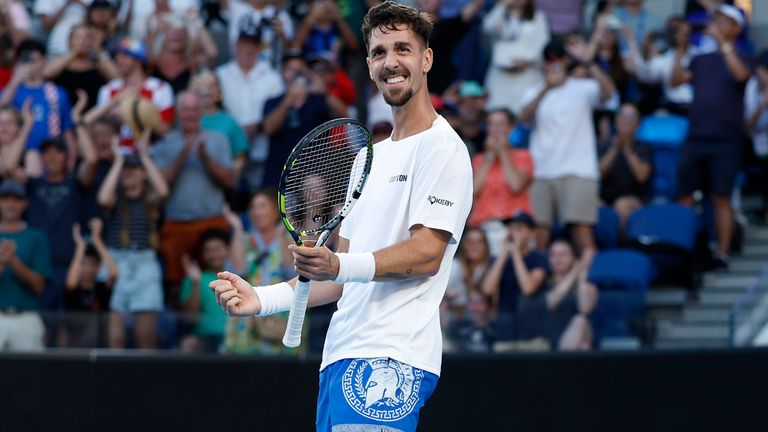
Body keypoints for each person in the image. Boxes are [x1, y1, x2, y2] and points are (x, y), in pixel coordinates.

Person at [210, 3, 473, 431]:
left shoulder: (443, 148)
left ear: (426, 59)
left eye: (403, 48)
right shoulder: (365, 160)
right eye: (379, 52)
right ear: (368, 65)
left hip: (390, 359)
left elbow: (427, 254)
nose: (391, 62)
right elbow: (338, 277)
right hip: (339, 358)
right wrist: (264, 299)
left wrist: (338, 263)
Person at [671, 4, 752, 269]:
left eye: (722, 21)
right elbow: (676, 81)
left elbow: (740, 75)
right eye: (714, 21)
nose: (715, 25)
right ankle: (682, 247)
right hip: (696, 135)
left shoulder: (742, 54)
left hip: (726, 139)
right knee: (684, 194)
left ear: (735, 28)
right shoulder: (700, 58)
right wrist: (681, 50)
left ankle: (722, 252)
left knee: (721, 197)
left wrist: (723, 43)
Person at [520, 40, 616, 259]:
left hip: (579, 171)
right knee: (540, 233)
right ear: (543, 63)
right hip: (542, 172)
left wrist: (588, 62)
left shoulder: (584, 88)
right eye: (549, 59)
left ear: (566, 61)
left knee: (581, 231)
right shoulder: (533, 90)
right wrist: (547, 87)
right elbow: (523, 117)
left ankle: (587, 285)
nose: (554, 63)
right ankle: (539, 285)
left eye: (558, 58)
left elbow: (609, 93)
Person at [152, 91, 234, 299]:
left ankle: (221, 324)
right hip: (177, 223)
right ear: (178, 112)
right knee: (176, 284)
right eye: (186, 109)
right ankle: (182, 328)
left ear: (201, 112)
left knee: (221, 281)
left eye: (194, 109)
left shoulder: (218, 139)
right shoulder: (166, 143)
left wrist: (206, 159)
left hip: (212, 223)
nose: (190, 114)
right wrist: (183, 155)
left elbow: (229, 180)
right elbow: (158, 186)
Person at [97, 131, 168, 349]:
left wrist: (145, 157)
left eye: (134, 169)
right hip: (116, 263)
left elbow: (163, 190)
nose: (129, 173)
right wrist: (118, 160)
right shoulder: (115, 201)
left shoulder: (150, 201)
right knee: (115, 334)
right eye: (126, 170)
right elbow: (102, 197)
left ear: (143, 173)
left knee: (145, 333)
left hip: (145, 262)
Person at [224, 188, 300, 355]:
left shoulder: (291, 239)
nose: (257, 212)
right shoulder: (244, 239)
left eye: (262, 206)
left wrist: (281, 235)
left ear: (275, 210)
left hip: (281, 314)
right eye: (253, 207)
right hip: (249, 318)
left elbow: (293, 273)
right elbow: (237, 272)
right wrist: (237, 229)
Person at [215, 19, 284, 191]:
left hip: (262, 151)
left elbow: (279, 112)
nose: (249, 48)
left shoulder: (272, 77)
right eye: (245, 42)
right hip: (228, 151)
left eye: (253, 44)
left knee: (259, 198)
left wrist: (257, 127)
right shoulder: (221, 74)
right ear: (236, 45)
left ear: (259, 47)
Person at [0, 39, 77, 171]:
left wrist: (72, 159)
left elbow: (67, 130)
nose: (31, 65)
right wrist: (16, 79)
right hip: (17, 158)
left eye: (35, 60)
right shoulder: (11, 91)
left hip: (52, 159)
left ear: (44, 61)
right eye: (26, 60)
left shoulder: (58, 92)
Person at [260, 53, 331, 188]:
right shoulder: (272, 102)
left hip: (311, 177)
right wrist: (289, 100)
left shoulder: (317, 101)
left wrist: (311, 78)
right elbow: (269, 128)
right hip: (278, 175)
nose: (295, 74)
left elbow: (343, 114)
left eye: (299, 70)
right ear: (283, 73)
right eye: (291, 70)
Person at [469, 108, 533, 256]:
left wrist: (503, 152)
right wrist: (490, 155)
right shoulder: (480, 159)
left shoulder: (523, 156)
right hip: (483, 228)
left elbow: (516, 185)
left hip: (513, 227)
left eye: (500, 124)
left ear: (510, 128)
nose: (495, 129)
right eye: (491, 124)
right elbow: (473, 191)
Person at [0, 179, 51, 352]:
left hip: (26, 316)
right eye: (6, 198)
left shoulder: (36, 237)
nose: (10, 204)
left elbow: (39, 286)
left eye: (16, 199)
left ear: (24, 203)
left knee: (32, 374)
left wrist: (13, 261)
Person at [481, 211, 548, 342]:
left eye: (519, 228)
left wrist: (516, 252)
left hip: (532, 326)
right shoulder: (498, 259)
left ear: (532, 233)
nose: (513, 232)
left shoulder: (539, 258)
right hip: (505, 325)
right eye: (510, 228)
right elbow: (487, 290)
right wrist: (505, 252)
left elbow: (528, 288)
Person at [483, 0, 550, 114]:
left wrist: (528, 60)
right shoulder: (501, 15)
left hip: (527, 74)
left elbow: (544, 45)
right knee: (497, 113)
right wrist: (502, 5)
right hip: (500, 75)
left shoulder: (538, 17)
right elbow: (488, 27)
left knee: (524, 112)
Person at [62, 218, 117, 347]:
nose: (87, 269)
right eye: (83, 264)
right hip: (74, 346)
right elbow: (71, 283)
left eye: (92, 264)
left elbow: (114, 273)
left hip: (99, 346)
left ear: (98, 267)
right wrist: (80, 247)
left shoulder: (101, 288)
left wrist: (96, 239)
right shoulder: (73, 290)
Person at [179, 228, 235, 354]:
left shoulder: (237, 278)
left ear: (228, 250)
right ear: (202, 254)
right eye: (208, 251)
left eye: (217, 249)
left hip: (235, 338)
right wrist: (196, 283)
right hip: (205, 339)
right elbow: (190, 315)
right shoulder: (194, 278)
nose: (214, 255)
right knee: (188, 343)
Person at [597, 102, 652, 229]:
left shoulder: (644, 147)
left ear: (638, 124)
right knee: (593, 205)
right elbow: (599, 174)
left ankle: (621, 247)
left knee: (621, 206)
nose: (626, 121)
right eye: (623, 116)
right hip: (606, 197)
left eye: (632, 117)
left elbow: (642, 177)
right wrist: (615, 148)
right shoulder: (605, 146)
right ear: (616, 121)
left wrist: (627, 148)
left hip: (634, 198)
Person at [43, 24, 118, 112]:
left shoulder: (97, 66)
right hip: (64, 117)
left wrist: (98, 49)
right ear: (69, 40)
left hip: (93, 118)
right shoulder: (62, 65)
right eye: (79, 37)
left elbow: (117, 77)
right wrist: (73, 52)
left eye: (88, 37)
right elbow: (46, 74)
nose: (83, 40)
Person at [543, 238, 597, 351]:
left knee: (580, 321)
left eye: (562, 254)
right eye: (553, 254)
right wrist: (575, 271)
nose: (557, 258)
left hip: (576, 337)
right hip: (548, 338)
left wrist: (582, 271)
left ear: (574, 258)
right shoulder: (543, 282)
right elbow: (549, 303)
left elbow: (585, 308)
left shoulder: (587, 284)